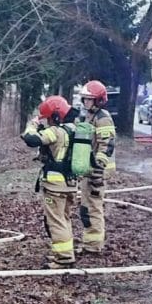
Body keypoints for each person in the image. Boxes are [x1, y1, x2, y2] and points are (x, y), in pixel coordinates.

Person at [21, 96, 78, 268]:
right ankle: (66, 253)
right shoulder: (73, 129)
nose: (47, 122)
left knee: (56, 220)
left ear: (55, 116)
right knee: (64, 218)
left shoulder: (56, 131)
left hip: (55, 185)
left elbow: (31, 139)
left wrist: (32, 125)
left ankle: (64, 258)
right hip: (70, 183)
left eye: (49, 118)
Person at [78, 80, 116, 254]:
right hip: (90, 169)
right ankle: (89, 243)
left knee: (93, 207)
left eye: (89, 99)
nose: (86, 102)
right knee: (86, 207)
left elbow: (106, 145)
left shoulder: (103, 118)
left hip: (97, 171)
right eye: (84, 99)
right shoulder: (90, 116)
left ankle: (94, 245)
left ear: (98, 100)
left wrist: (98, 169)